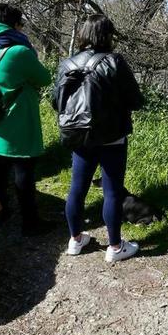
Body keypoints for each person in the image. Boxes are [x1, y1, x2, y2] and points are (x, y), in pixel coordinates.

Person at [52, 14, 144, 262]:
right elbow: (136, 101)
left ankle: (75, 240)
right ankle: (115, 248)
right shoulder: (114, 62)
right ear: (107, 35)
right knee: (112, 192)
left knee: (77, 189)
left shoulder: (67, 64)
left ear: (83, 34)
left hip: (78, 136)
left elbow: (55, 101)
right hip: (111, 137)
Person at [0, 3, 53, 236]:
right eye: (21, 24)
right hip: (18, 121)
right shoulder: (20, 51)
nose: (23, 28)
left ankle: (0, 213)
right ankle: (30, 223)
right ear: (14, 25)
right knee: (24, 172)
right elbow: (44, 78)